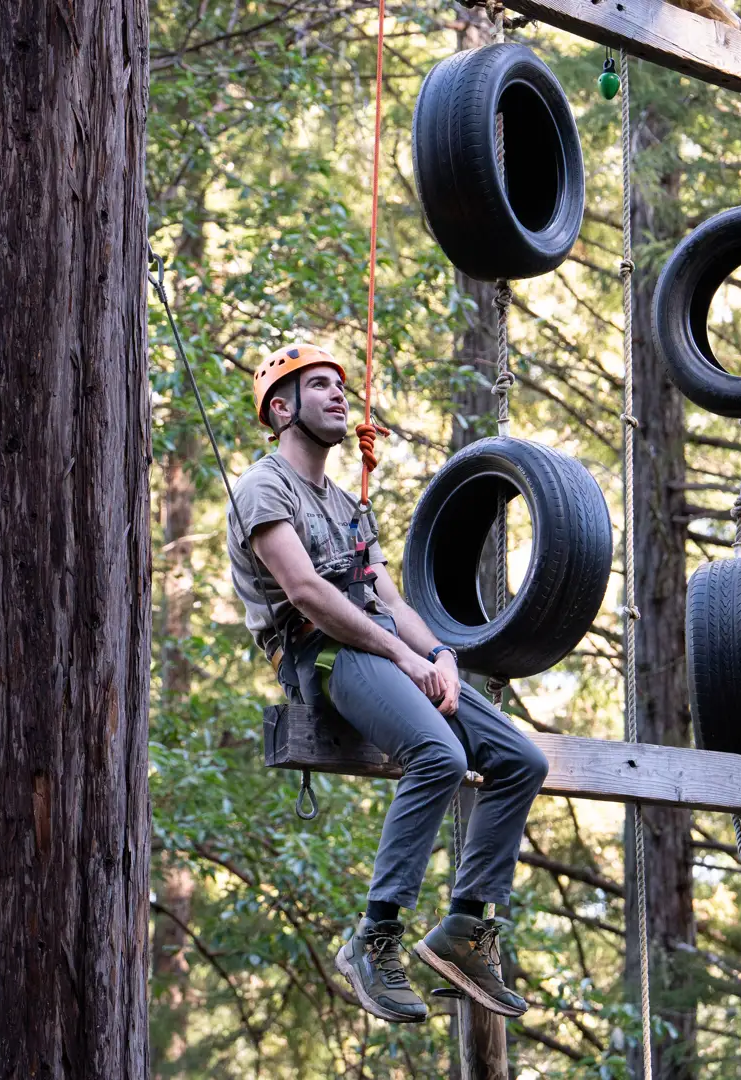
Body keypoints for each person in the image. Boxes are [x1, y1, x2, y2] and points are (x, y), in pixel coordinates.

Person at [226, 343, 549, 1023]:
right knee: (439, 756)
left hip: (375, 651)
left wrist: (440, 654)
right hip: (319, 656)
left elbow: (392, 602)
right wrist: (404, 662)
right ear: (281, 409)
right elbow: (308, 592)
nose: (339, 395)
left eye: (341, 386)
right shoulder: (264, 487)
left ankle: (463, 928)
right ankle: (375, 937)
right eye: (319, 386)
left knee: (522, 760)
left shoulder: (348, 503)